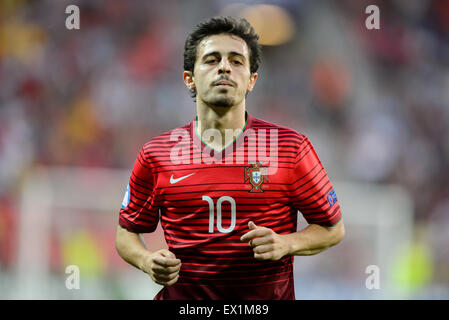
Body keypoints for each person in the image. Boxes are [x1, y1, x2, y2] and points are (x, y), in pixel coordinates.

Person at [115, 16, 345, 300]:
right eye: (212, 59)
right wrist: (146, 261)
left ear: (251, 80)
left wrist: (287, 243)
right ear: (190, 79)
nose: (224, 67)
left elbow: (332, 229)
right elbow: (126, 233)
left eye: (236, 61)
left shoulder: (290, 148)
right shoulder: (157, 154)